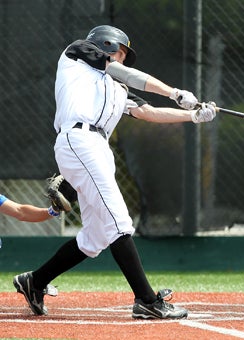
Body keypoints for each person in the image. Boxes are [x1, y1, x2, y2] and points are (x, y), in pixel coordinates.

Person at [13, 25, 216, 319]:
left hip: (99, 148)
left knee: (95, 236)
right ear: (104, 45)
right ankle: (146, 300)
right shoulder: (77, 53)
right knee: (119, 219)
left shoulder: (116, 88)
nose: (120, 58)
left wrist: (194, 115)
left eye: (123, 54)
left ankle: (35, 281)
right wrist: (174, 92)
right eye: (118, 51)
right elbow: (125, 73)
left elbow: (148, 113)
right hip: (78, 139)